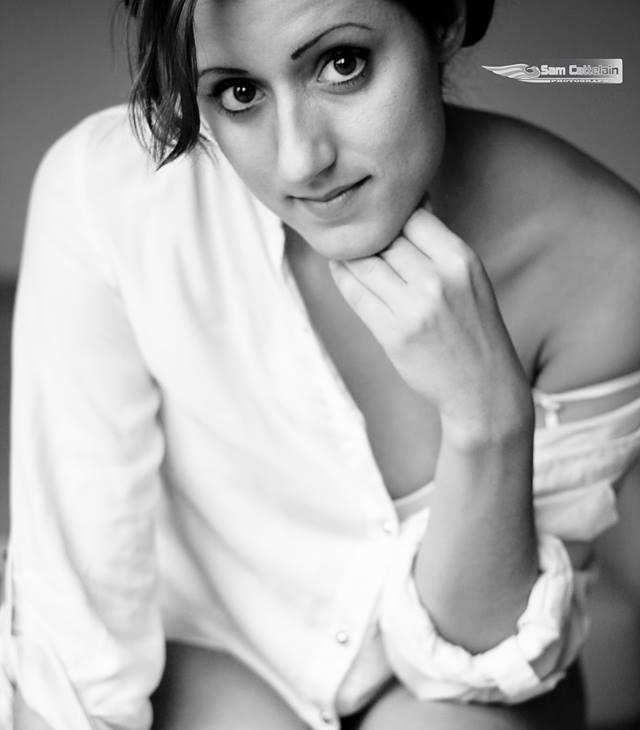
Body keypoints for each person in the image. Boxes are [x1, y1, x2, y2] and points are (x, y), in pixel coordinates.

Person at [2, 0, 640, 728]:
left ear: (444, 20)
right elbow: (77, 648)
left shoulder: (608, 262)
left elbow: (480, 664)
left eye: (342, 63)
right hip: (189, 665)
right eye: (239, 92)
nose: (300, 161)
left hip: (454, 692)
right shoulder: (110, 192)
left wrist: (487, 416)